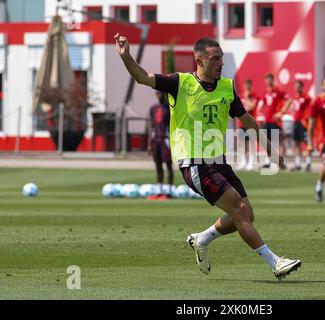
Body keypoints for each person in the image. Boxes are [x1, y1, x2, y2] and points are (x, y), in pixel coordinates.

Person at [115, 34, 301, 280]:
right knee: (239, 208)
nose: (220, 62)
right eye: (215, 58)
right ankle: (276, 262)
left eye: (221, 57)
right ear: (199, 60)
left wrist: (269, 148)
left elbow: (245, 120)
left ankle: (202, 239)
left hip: (218, 162)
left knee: (247, 215)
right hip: (193, 162)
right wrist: (126, 56)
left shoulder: (226, 87)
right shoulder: (179, 83)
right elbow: (142, 77)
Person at [278, 80, 312, 171]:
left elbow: (311, 109)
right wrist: (280, 113)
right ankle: (298, 164)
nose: (297, 88)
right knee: (296, 143)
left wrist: (308, 119)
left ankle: (308, 163)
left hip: (304, 122)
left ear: (302, 87)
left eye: (298, 86)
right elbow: (285, 108)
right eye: (295, 86)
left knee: (307, 142)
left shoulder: (306, 97)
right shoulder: (293, 97)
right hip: (295, 122)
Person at [147, 90, 173, 200]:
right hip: (156, 140)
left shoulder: (170, 108)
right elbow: (151, 126)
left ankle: (169, 192)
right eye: (157, 93)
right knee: (158, 165)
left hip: (166, 139)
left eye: (161, 93)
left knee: (168, 165)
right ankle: (159, 191)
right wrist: (149, 142)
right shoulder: (153, 108)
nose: (159, 95)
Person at [261, 73, 288, 169]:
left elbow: (288, 100)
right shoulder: (265, 92)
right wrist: (261, 115)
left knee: (278, 142)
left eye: (270, 79)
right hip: (266, 121)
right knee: (267, 142)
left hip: (275, 121)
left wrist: (282, 112)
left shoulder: (278, 90)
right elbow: (263, 105)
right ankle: (269, 161)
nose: (268, 81)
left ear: (272, 80)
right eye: (266, 79)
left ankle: (282, 162)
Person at [236, 79, 258, 171]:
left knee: (251, 143)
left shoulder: (254, 97)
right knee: (242, 143)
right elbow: (239, 109)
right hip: (242, 123)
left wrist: (248, 98)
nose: (247, 87)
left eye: (249, 85)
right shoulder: (240, 97)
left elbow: (251, 107)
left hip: (250, 124)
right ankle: (244, 161)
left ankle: (251, 162)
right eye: (246, 85)